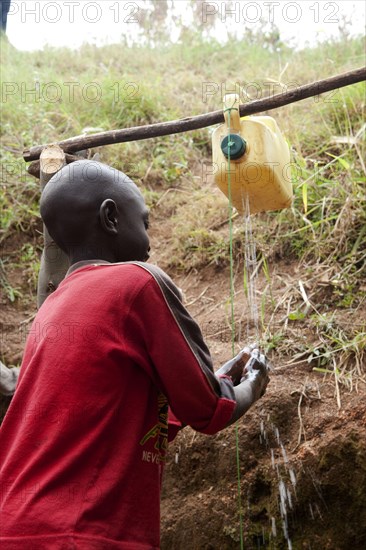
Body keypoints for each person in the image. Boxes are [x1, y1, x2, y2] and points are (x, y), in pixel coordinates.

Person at [0, 160, 270, 549]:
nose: (149, 240)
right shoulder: (137, 281)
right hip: (82, 532)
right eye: (143, 222)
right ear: (111, 216)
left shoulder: (55, 308)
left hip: (19, 524)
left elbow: (112, 417)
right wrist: (252, 385)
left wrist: (221, 379)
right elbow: (209, 410)